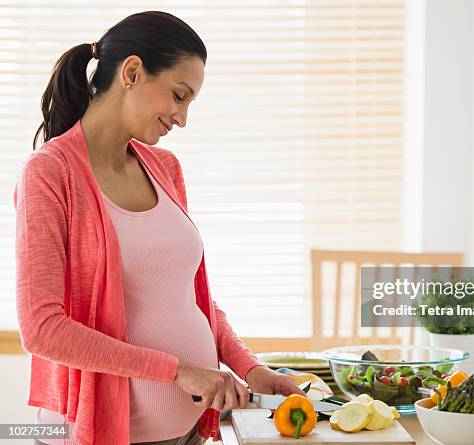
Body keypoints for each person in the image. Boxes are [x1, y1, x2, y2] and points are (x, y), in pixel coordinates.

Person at [14, 10, 305, 445]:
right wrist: (179, 372)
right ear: (132, 72)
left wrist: (248, 367)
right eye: (178, 95)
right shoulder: (51, 174)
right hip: (105, 434)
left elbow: (192, 298)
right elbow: (42, 329)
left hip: (189, 429)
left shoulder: (164, 167)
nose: (182, 118)